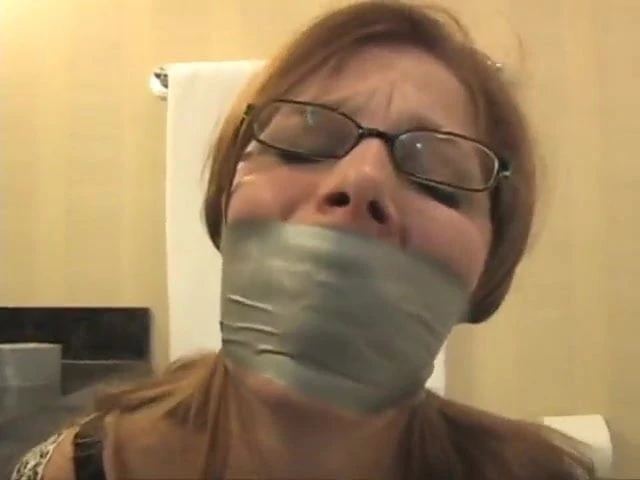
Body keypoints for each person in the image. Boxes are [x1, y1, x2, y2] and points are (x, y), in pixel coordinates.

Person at [12, 1, 595, 479]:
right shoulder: (79, 470)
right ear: (225, 200)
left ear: (488, 268)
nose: (362, 180)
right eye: (303, 142)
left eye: (438, 174)